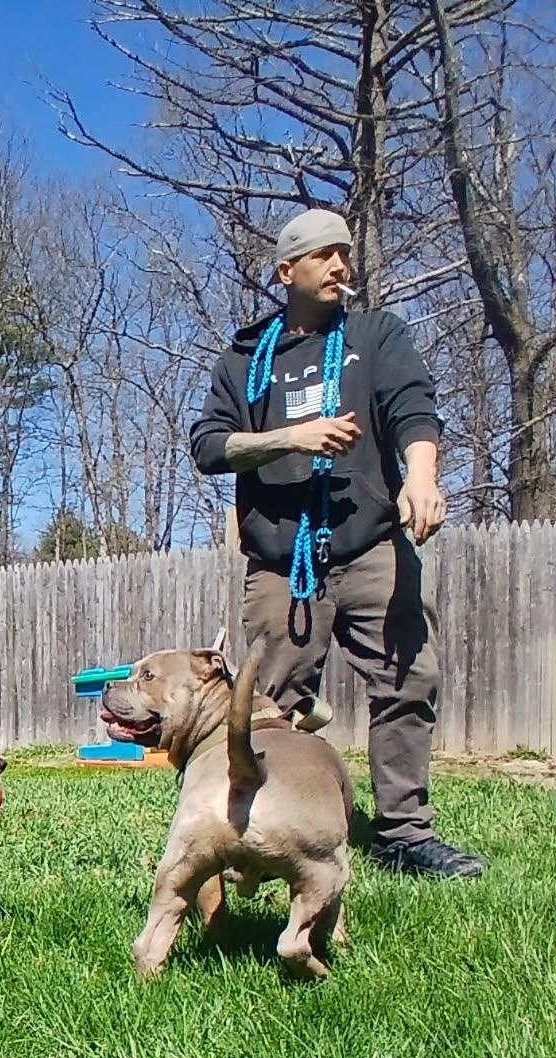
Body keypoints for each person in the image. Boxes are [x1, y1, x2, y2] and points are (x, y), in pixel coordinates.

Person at [191, 208, 484, 878]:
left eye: (345, 255)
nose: (340, 267)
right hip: (281, 561)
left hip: (370, 544)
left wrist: (421, 475)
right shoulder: (245, 362)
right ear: (286, 270)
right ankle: (255, 828)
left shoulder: (375, 335)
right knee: (267, 701)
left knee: (410, 679)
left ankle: (404, 833)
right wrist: (290, 437)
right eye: (324, 255)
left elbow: (414, 407)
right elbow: (209, 446)